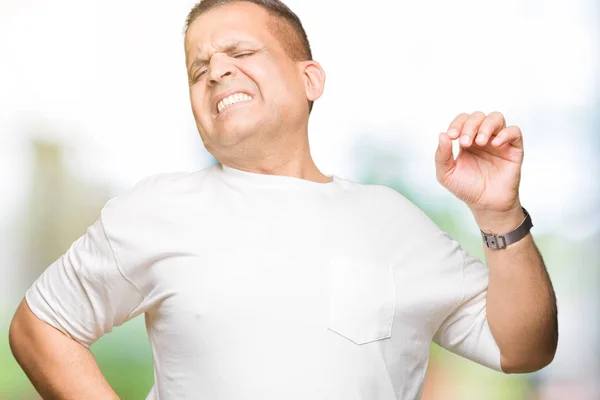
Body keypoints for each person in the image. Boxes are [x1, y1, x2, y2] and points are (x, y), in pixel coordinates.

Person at [9, 0, 558, 399]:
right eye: (198, 69)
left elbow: (524, 348)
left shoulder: (394, 221)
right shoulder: (155, 209)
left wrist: (499, 213)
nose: (216, 70)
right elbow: (40, 327)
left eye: (240, 51)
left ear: (310, 80)